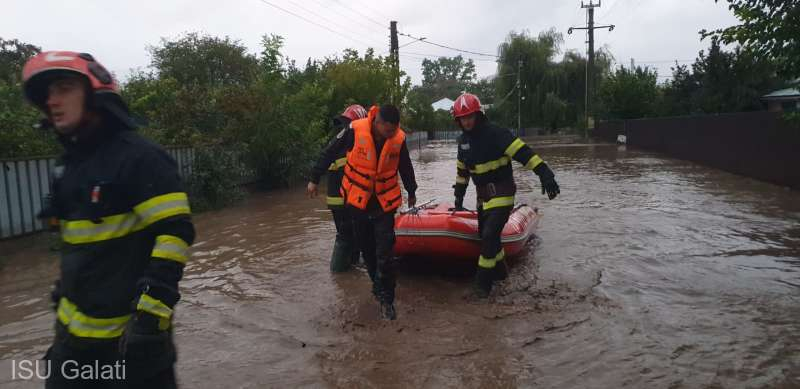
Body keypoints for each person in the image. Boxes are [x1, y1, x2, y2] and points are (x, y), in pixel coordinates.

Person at [22, 51, 194, 388]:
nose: (52, 100)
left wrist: (150, 317)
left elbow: (175, 233)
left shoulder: (141, 158)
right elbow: (79, 252)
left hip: (132, 349)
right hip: (71, 348)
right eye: (47, 94)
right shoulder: (69, 166)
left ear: (95, 93)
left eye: (63, 88)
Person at [307, 104, 417, 320]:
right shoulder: (354, 131)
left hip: (384, 204)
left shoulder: (398, 138)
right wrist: (314, 178)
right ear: (378, 123)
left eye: (394, 130)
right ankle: (377, 286)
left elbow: (405, 166)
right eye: (388, 130)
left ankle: (388, 300)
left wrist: (412, 190)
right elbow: (329, 152)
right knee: (367, 250)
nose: (391, 134)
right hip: (358, 202)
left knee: (386, 251)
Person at [451, 93, 560, 298]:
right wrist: (458, 198)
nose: (466, 121)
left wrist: (545, 173)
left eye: (470, 117)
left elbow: (524, 154)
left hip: (502, 193)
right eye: (462, 118)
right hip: (482, 198)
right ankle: (502, 276)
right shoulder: (463, 143)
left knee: (490, 235)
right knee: (487, 238)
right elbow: (462, 173)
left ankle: (482, 288)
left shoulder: (497, 134)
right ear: (457, 120)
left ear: (478, 115)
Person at [308, 105, 368, 272]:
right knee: (346, 234)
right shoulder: (347, 136)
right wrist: (314, 179)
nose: (346, 126)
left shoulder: (351, 139)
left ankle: (351, 267)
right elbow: (325, 155)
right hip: (342, 198)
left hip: (346, 197)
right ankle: (339, 273)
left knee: (353, 233)